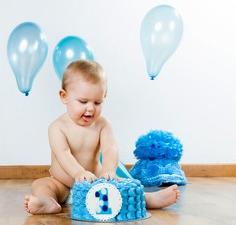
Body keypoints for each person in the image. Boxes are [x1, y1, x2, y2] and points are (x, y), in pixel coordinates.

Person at [24, 59, 180, 215]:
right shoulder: (57, 127)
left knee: (125, 185)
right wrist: (78, 173)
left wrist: (109, 171)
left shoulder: (103, 124)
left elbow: (109, 149)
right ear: (64, 97)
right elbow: (63, 153)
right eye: (83, 101)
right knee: (41, 185)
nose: (90, 108)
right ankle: (48, 202)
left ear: (104, 97)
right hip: (63, 184)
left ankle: (147, 199)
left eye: (97, 102)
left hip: (97, 182)